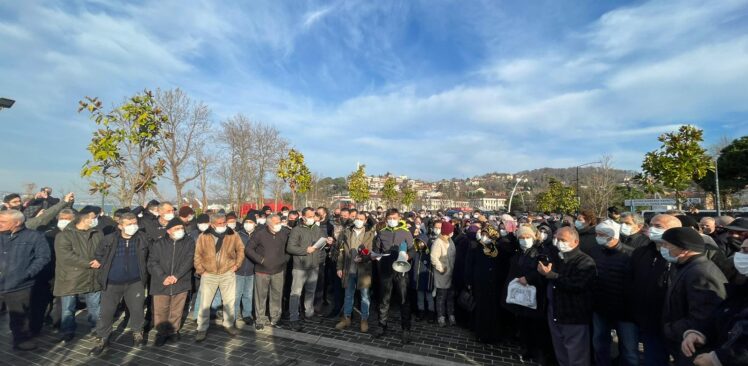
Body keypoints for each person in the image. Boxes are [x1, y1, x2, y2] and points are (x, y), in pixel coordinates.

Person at [660, 227, 727, 366]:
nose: (663, 248)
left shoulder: (701, 273)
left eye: (666, 245)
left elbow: (704, 316)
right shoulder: (687, 266)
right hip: (684, 341)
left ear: (684, 248)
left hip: (693, 346)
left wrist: (671, 329)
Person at [680, 238, 748, 366]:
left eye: (746, 251)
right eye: (741, 250)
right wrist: (700, 333)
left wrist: (719, 358)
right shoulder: (742, 287)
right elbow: (723, 315)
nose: (740, 255)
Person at [90, 212, 150, 355]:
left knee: (137, 309)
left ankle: (137, 333)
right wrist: (99, 262)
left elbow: (150, 256)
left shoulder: (143, 239)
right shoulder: (109, 240)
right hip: (112, 282)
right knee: (106, 312)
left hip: (135, 282)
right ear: (120, 225)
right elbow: (99, 255)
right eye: (129, 224)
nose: (133, 227)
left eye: (135, 223)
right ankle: (103, 338)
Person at [537, 226, 597, 366]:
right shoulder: (556, 257)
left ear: (575, 242)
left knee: (577, 355)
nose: (558, 242)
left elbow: (577, 285)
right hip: (555, 312)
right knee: (561, 351)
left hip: (573, 315)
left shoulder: (585, 261)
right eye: (556, 239)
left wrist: (551, 275)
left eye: (562, 240)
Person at [630, 213, 681, 366]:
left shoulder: (684, 256)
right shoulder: (641, 253)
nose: (652, 229)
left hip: (677, 325)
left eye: (658, 226)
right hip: (649, 322)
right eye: (651, 225)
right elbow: (632, 282)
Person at [502, 224, 554, 365]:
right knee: (523, 324)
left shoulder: (541, 252)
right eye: (522, 237)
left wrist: (529, 278)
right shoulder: (519, 252)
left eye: (528, 237)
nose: (525, 240)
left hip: (535, 296)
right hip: (521, 296)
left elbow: (543, 272)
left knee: (536, 326)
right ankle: (526, 350)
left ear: (533, 237)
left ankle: (538, 353)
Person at [0, 210, 51, 351]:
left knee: (19, 316)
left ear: (17, 222)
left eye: (3, 221)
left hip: (19, 285)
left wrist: (27, 273)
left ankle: (21, 340)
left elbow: (43, 257)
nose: (0, 224)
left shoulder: (34, 237)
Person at [589, 220, 638, 366]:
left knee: (629, 350)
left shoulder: (631, 254)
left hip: (625, 311)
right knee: (599, 343)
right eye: (597, 234)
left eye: (602, 234)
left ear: (613, 236)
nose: (598, 237)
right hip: (600, 307)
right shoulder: (594, 251)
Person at [54, 207, 103, 343]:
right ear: (84, 218)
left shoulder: (97, 233)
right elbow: (66, 256)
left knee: (95, 307)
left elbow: (104, 248)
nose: (95, 220)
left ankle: (97, 328)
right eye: (93, 217)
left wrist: (100, 260)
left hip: (93, 275)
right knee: (68, 308)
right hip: (71, 277)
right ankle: (68, 330)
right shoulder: (64, 235)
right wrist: (88, 263)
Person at [193, 213, 244, 341]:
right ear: (212, 224)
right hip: (209, 274)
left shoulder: (233, 234)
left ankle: (228, 324)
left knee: (229, 301)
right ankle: (202, 328)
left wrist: (236, 265)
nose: (223, 225)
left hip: (227, 272)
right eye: (219, 223)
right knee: (205, 302)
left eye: (224, 223)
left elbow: (241, 250)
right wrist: (200, 270)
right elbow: (197, 254)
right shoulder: (204, 236)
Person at [147, 218, 195, 346]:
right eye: (177, 229)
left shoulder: (189, 242)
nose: (180, 231)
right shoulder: (158, 243)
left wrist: (176, 276)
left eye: (181, 228)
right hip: (161, 282)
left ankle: (174, 331)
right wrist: (164, 277)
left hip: (180, 281)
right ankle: (161, 333)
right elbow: (152, 262)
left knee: (177, 309)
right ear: (168, 231)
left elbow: (189, 260)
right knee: (160, 309)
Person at [373, 209, 415, 343]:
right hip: (386, 270)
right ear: (386, 219)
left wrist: (409, 255)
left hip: (401, 270)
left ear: (399, 218)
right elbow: (376, 250)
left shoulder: (405, 232)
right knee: (384, 299)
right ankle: (382, 325)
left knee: (404, 300)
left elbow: (413, 249)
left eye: (394, 217)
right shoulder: (382, 232)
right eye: (390, 217)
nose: (392, 219)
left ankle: (406, 329)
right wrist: (375, 256)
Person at [286, 207, 328, 331]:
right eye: (309, 216)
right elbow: (290, 248)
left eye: (312, 216)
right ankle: (294, 318)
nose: (311, 218)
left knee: (311, 292)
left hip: (314, 265)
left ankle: (309, 313)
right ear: (303, 217)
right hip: (300, 266)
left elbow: (322, 242)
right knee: (296, 293)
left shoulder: (317, 229)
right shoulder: (296, 230)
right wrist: (305, 250)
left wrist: (328, 241)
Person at [247, 214, 290, 330]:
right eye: (275, 223)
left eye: (279, 222)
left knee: (277, 296)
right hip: (262, 271)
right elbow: (249, 249)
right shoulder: (260, 234)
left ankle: (275, 319)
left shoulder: (284, 233)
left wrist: (285, 259)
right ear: (268, 224)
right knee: (261, 297)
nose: (278, 225)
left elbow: (289, 248)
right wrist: (260, 260)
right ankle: (260, 319)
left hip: (278, 270)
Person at [335, 212, 375, 332]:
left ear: (365, 220)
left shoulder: (370, 234)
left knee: (365, 297)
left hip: (363, 271)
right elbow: (341, 252)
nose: (358, 220)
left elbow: (372, 252)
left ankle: (364, 319)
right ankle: (346, 318)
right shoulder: (346, 233)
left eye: (361, 219)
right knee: (348, 295)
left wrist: (363, 258)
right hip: (349, 269)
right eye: (356, 218)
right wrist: (339, 267)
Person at [464, 224, 502, 344]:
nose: (485, 237)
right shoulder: (476, 247)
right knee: (481, 309)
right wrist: (469, 281)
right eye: (483, 235)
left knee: (493, 310)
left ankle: (493, 334)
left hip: (494, 284)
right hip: (480, 283)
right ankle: (480, 333)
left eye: (488, 235)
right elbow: (469, 265)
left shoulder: (497, 248)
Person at [431, 221, 456, 327]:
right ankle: (441, 317)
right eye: (451, 231)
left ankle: (451, 315)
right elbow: (434, 258)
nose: (452, 233)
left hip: (451, 274)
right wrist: (441, 269)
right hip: (442, 275)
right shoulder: (438, 242)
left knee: (450, 297)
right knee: (441, 297)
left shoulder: (450, 240)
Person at [235, 212, 257, 326]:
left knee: (248, 294)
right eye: (246, 222)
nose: (248, 224)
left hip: (252, 270)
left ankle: (247, 314)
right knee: (236, 294)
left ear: (255, 224)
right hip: (238, 269)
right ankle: (233, 315)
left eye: (251, 222)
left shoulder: (258, 235)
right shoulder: (237, 235)